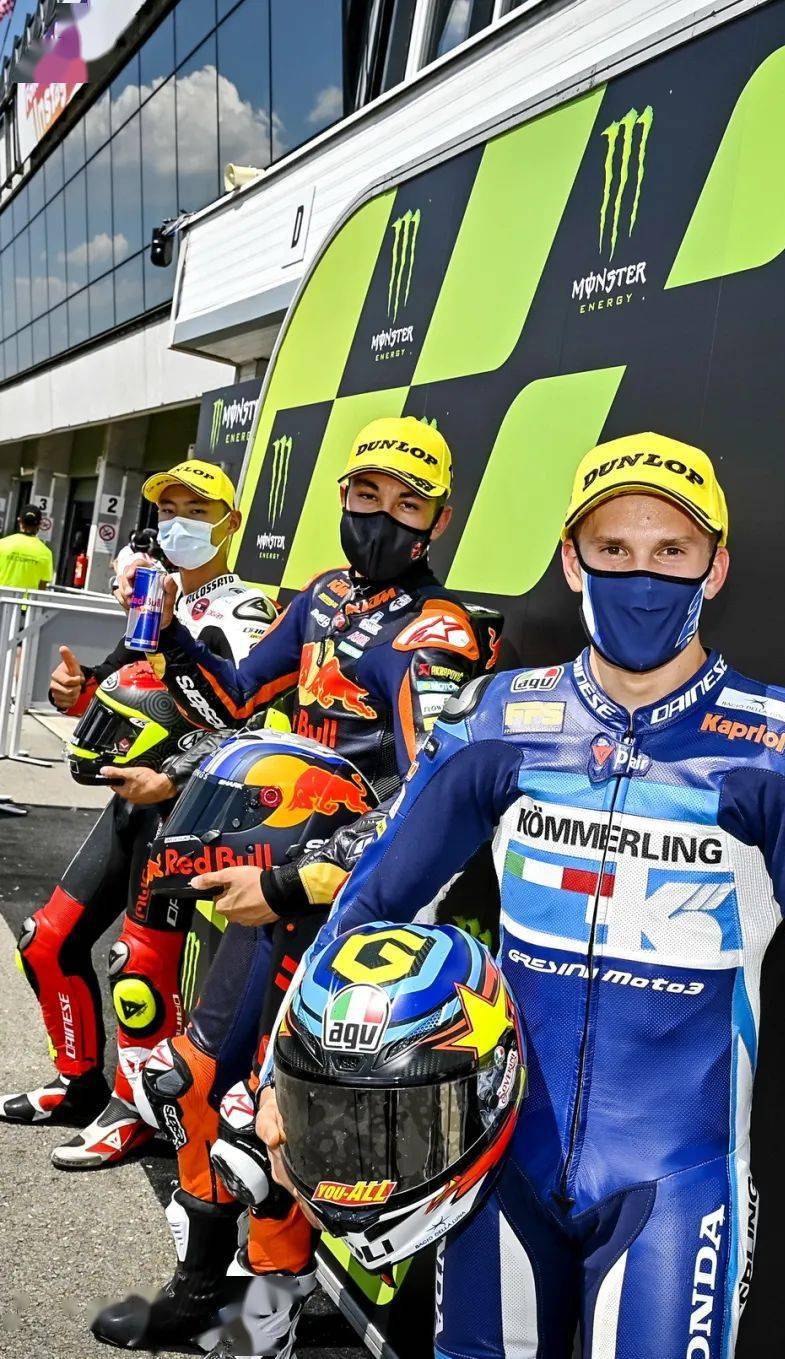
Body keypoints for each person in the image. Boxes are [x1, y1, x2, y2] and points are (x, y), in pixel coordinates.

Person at [258, 432, 785, 1358]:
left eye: (671, 550)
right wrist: (283, 1079)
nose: (641, 574)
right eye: (613, 547)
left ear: (715, 568)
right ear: (572, 561)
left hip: (677, 1184)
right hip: (494, 1165)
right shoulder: (493, 720)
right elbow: (369, 909)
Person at [92, 416, 499, 1356]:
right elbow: (235, 695)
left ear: (439, 519)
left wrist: (294, 881)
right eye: (366, 494)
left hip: (353, 905)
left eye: (408, 504)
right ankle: (204, 1290)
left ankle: (263, 1309)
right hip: (269, 882)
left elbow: (429, 800)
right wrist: (169, 637)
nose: (382, 517)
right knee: (195, 1082)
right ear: (342, 496)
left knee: (281, 1118)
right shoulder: (321, 595)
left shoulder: (440, 633)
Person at [0, 460, 276, 1172]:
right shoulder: (157, 600)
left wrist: (172, 779)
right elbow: (118, 679)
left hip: (186, 811)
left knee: (138, 968)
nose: (178, 523)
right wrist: (75, 689)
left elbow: (249, 724)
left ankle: (139, 1113)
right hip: (133, 801)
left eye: (196, 510)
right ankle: (78, 1084)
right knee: (45, 942)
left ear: (230, 523)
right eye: (169, 510)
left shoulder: (244, 611)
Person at [0, 505, 54, 593]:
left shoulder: (2, 544)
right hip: (26, 601)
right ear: (39, 524)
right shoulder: (46, 553)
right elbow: (42, 588)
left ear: (19, 521)